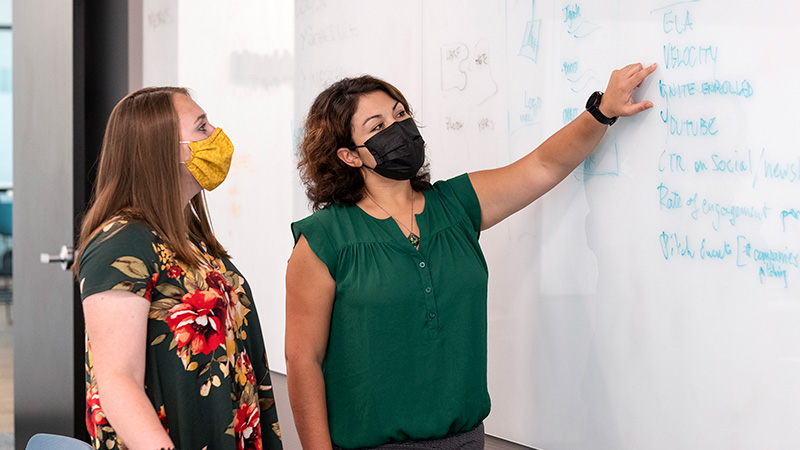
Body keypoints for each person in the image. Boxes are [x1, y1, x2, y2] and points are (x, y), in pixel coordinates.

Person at [285, 63, 657, 449]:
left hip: (464, 440)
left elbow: (543, 166)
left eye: (400, 114)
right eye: (377, 127)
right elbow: (303, 360)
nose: (398, 129)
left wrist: (602, 111)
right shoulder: (324, 239)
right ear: (349, 156)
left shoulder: (456, 205)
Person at [73, 87, 282, 450]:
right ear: (163, 151)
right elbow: (118, 381)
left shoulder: (187, 236)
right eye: (202, 127)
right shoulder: (122, 243)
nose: (215, 134)